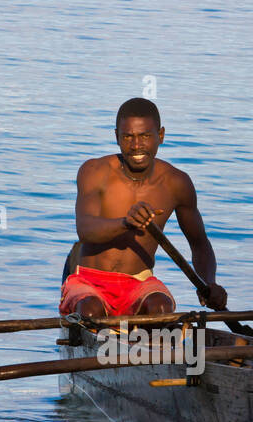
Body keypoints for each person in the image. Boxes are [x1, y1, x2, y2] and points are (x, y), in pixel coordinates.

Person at [61, 97, 228, 319]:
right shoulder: (94, 171)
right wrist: (125, 223)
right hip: (89, 283)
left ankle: (147, 347)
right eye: (128, 137)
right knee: (91, 310)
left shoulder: (176, 183)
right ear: (117, 137)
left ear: (161, 136)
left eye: (145, 136)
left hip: (139, 283)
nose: (136, 146)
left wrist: (209, 283)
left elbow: (199, 243)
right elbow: (85, 228)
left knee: (160, 308)